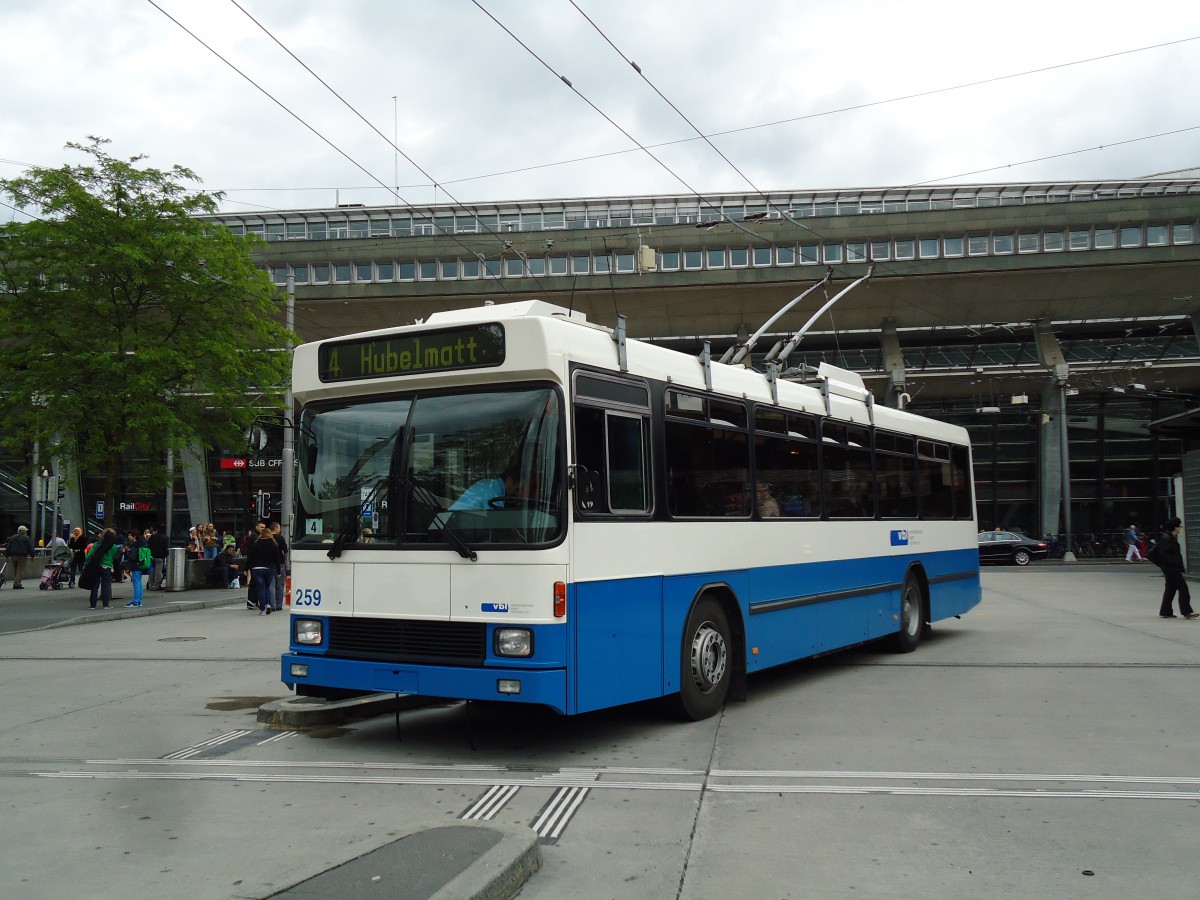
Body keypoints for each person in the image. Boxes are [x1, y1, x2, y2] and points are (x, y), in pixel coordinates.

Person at [1154, 518, 1198, 619]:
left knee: (1170, 589)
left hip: (1170, 568)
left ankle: (1165, 611)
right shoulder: (1167, 538)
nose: (1180, 528)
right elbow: (1165, 554)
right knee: (1183, 588)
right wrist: (1175, 564)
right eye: (1180, 526)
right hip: (1171, 568)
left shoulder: (1170, 537)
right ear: (1176, 527)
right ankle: (1187, 611)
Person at [245, 528, 283, 615]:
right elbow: (277, 559)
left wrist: (246, 569)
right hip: (269, 568)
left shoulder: (256, 544)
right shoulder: (274, 544)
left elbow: (250, 557)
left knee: (261, 588)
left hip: (257, 568)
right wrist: (278, 571)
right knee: (267, 587)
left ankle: (262, 609)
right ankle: (268, 604)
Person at [82, 527, 121, 609]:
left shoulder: (96, 545)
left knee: (94, 586)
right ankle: (106, 604)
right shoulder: (113, 546)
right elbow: (114, 556)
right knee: (105, 586)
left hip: (96, 566)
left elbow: (88, 556)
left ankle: (92, 605)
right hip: (107, 566)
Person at [122, 529, 149, 607]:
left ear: (134, 536)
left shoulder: (134, 545)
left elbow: (133, 557)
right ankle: (139, 601)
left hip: (135, 566)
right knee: (139, 584)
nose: (128, 537)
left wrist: (128, 552)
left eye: (129, 535)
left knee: (136, 584)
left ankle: (135, 602)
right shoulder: (142, 543)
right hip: (140, 564)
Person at [3, 525, 36, 589]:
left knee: (16, 569)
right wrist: (32, 556)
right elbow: (31, 548)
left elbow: (8, 547)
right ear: (24, 532)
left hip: (13, 556)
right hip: (22, 556)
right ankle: (16, 584)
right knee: (20, 570)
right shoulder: (27, 538)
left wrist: (6, 556)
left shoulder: (12, 537)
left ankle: (18, 582)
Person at [269, 521, 288, 611]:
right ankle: (279, 604)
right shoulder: (280, 538)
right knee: (279, 585)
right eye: (279, 528)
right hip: (280, 563)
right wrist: (286, 561)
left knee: (271, 584)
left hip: (269, 563)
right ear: (275, 528)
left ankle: (272, 604)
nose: (280, 530)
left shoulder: (268, 538)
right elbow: (285, 551)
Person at [147, 524, 170, 590]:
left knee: (152, 571)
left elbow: (149, 546)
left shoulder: (152, 536)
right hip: (160, 556)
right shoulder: (165, 537)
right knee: (158, 571)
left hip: (152, 555)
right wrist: (165, 555)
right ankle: (157, 585)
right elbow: (166, 548)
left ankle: (150, 584)